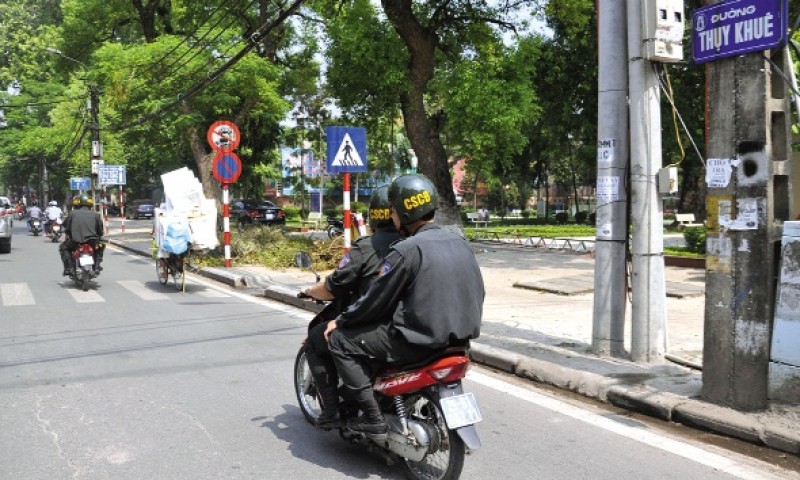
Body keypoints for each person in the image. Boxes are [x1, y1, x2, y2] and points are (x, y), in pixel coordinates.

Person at [323, 173, 485, 435]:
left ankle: (373, 419)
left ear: (404, 214)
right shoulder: (461, 243)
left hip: (418, 342)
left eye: (395, 211)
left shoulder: (406, 250)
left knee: (341, 340)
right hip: (460, 340)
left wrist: (340, 320)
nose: (392, 217)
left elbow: (375, 299)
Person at [301, 186, 401, 429]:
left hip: (373, 326)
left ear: (374, 215)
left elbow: (332, 287)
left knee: (318, 338)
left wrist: (309, 291)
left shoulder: (366, 247)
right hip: (409, 324)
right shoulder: (413, 244)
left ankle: (333, 411)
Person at [59, 195, 105, 276]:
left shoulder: (72, 214)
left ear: (77, 204)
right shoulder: (96, 215)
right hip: (92, 242)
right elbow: (100, 231)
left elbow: (66, 227)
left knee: (63, 248)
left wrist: (68, 232)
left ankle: (69, 268)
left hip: (75, 241)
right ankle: (97, 267)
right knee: (100, 247)